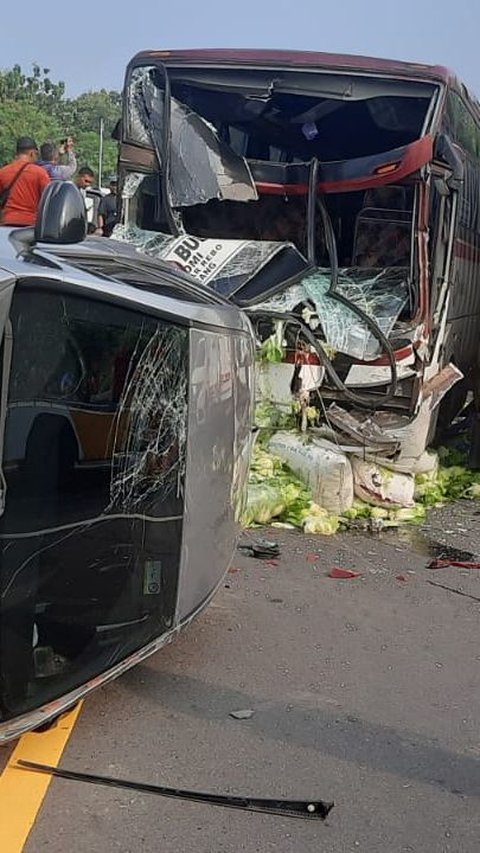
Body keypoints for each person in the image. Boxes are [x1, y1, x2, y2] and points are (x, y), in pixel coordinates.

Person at [0, 136, 50, 226]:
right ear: (32, 153)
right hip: (30, 225)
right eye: (36, 154)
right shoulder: (40, 173)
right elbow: (48, 200)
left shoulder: (3, 172)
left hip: (7, 222)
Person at [74, 167, 96, 232]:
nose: (87, 184)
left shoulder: (82, 192)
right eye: (86, 181)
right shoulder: (69, 189)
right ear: (79, 177)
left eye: (90, 182)